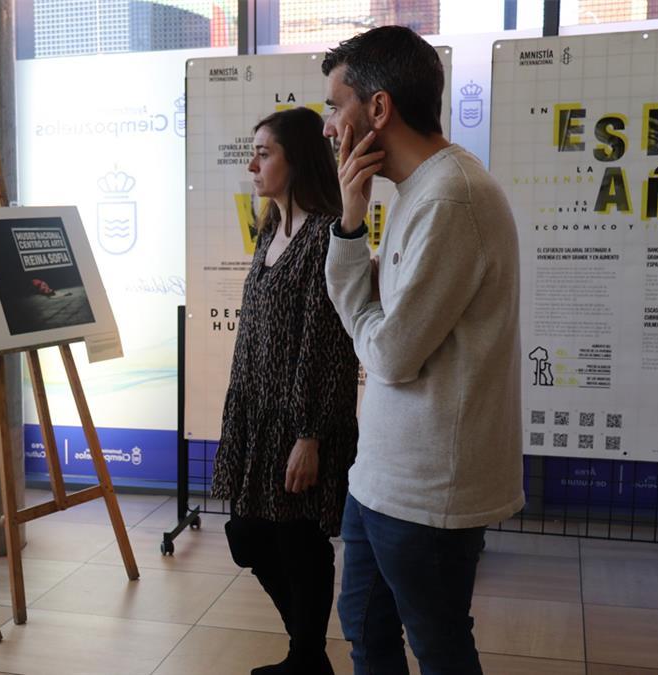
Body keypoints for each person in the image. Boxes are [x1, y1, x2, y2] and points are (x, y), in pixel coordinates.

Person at [320, 26, 523, 675]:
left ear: (378, 109)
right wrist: (351, 222)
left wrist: (362, 290)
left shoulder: (451, 197)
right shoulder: (418, 192)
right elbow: (379, 318)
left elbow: (389, 354)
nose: (328, 127)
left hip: (429, 490)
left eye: (335, 105)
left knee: (437, 648)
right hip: (379, 474)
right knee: (366, 632)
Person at [211, 106, 360, 675]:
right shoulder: (272, 229)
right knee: (248, 535)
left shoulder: (324, 234)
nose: (252, 165)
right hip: (256, 412)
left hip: (300, 421)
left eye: (264, 153)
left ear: (296, 160)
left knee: (297, 540)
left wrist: (311, 436)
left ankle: (306, 658)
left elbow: (326, 348)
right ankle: (310, 656)